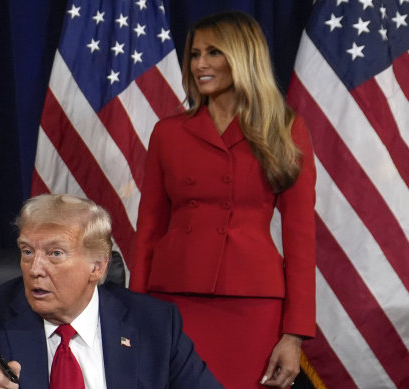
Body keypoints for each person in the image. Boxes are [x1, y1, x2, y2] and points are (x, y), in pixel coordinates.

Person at [129, 11, 316, 389]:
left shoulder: (284, 128)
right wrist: (136, 312)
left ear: (243, 58)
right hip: (174, 300)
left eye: (213, 53)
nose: (200, 64)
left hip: (252, 303)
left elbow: (301, 239)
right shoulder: (169, 133)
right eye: (195, 54)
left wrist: (294, 334)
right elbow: (148, 230)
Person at [0, 193, 223, 389]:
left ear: (97, 267)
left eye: (55, 253)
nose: (34, 268)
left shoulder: (155, 324)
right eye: (27, 251)